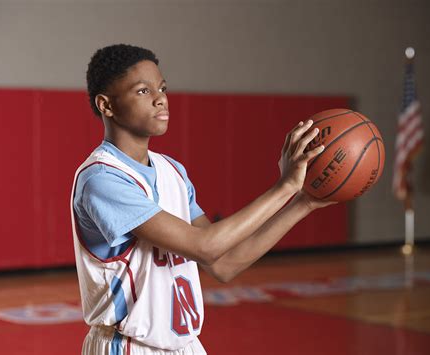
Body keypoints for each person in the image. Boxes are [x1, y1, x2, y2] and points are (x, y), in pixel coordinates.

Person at [70, 43, 334, 355]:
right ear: (106, 105)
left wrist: (302, 202)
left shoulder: (173, 172)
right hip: (129, 346)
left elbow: (223, 263)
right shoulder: (102, 178)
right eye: (143, 91)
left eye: (162, 87)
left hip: (185, 346)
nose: (160, 98)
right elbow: (205, 246)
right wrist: (284, 187)